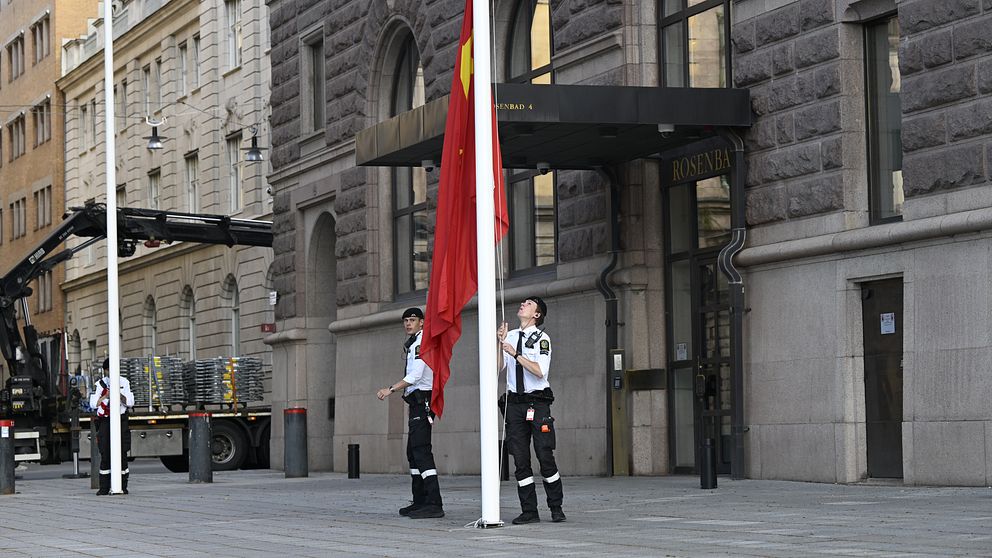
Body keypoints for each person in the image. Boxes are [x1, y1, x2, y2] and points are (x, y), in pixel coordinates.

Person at [498, 296, 566, 524]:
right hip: (515, 404)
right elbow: (498, 368)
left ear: (537, 314)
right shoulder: (510, 336)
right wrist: (500, 346)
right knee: (520, 458)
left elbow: (540, 371)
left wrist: (516, 354)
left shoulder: (542, 338)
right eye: (523, 303)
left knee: (544, 454)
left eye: (528, 304)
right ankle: (529, 510)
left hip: (537, 403)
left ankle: (556, 507)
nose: (523, 305)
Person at [376, 307, 444, 519]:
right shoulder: (414, 342)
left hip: (422, 400)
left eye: (412, 320)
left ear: (422, 322)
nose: (408, 323)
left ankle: (434, 503)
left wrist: (391, 389)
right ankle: (420, 500)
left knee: (421, 451)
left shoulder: (422, 343)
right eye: (405, 320)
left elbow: (416, 375)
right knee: (413, 453)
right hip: (416, 402)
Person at [89, 358, 135, 495]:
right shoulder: (100, 384)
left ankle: (123, 485)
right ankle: (104, 487)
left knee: (122, 453)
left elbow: (130, 402)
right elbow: (93, 403)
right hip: (105, 421)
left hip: (121, 419)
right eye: (108, 370)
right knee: (105, 452)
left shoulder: (124, 382)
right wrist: (106, 396)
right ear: (105, 371)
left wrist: (119, 395)